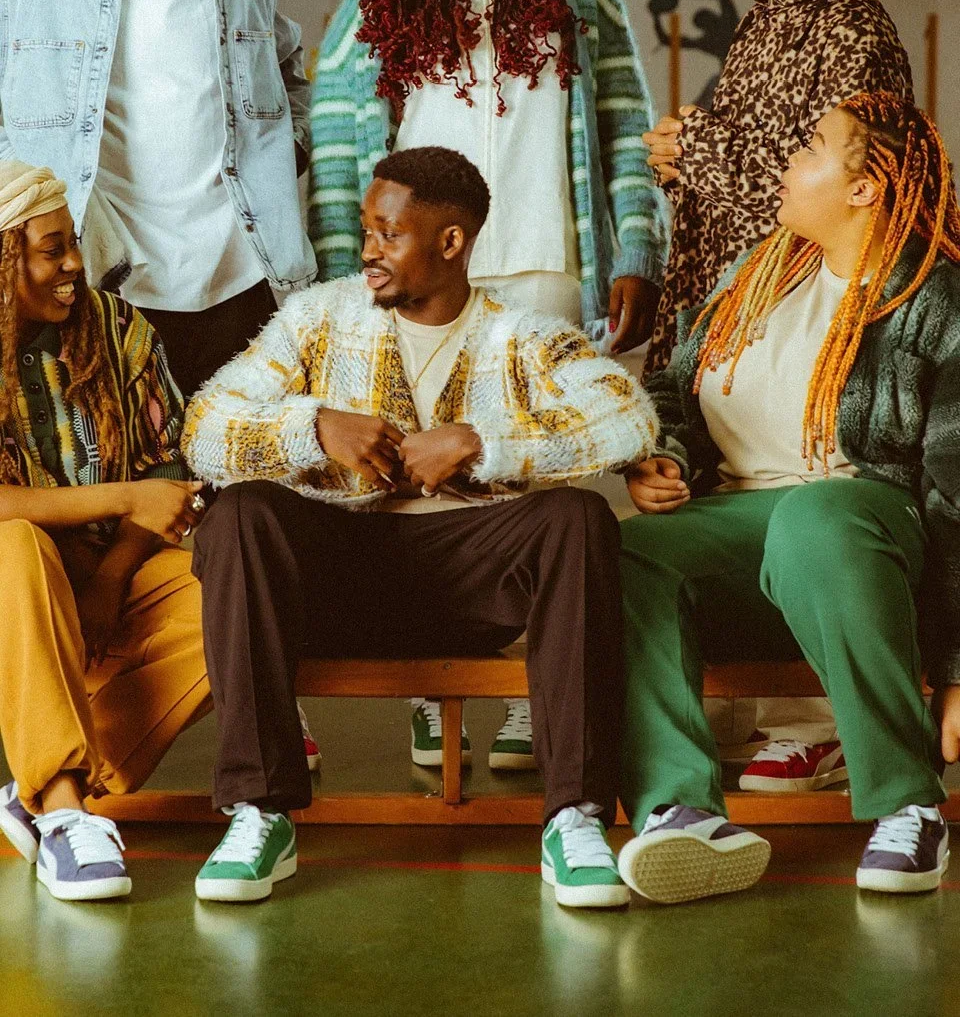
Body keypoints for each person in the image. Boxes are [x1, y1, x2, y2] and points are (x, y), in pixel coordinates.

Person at [184, 146, 658, 908]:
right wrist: (316, 427)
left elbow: (626, 413)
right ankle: (258, 812)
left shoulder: (521, 336)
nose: (368, 250)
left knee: (578, 518)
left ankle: (575, 815)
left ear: (451, 241)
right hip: (338, 573)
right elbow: (205, 425)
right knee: (239, 515)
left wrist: (480, 443)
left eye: (389, 233)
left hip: (469, 577)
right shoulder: (317, 319)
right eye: (366, 230)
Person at [309, 0, 668, 766]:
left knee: (537, 485)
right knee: (426, 485)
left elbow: (631, 127)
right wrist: (362, 278)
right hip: (424, 289)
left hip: (549, 274)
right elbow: (343, 157)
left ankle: (525, 693)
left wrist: (637, 248)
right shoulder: (374, 3)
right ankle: (435, 683)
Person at [616, 93, 960, 903]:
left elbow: (956, 500)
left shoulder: (933, 301)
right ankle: (680, 809)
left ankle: (907, 805)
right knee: (621, 548)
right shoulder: (759, 273)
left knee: (815, 516)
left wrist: (956, 667)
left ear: (865, 187)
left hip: (869, 530)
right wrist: (660, 456)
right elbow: (671, 389)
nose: (786, 165)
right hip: (740, 529)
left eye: (810, 150)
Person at [642, 0, 914, 776]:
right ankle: (722, 724)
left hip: (809, 334)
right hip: (732, 327)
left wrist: (699, 150)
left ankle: (822, 728)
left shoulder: (850, 23)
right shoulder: (771, 22)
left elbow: (837, 189)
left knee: (808, 503)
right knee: (702, 518)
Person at [0, 0, 315, 400]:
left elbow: (287, 69)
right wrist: (16, 182)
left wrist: (288, 150)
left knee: (239, 457)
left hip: (241, 266)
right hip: (107, 270)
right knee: (122, 465)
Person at [0, 160, 209, 901]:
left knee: (236, 598)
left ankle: (47, 787)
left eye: (74, 244)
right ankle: (59, 804)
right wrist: (116, 499)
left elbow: (169, 467)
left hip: (107, 575)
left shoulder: (117, 329)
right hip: (14, 588)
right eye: (51, 250)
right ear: (5, 260)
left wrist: (114, 576)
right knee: (14, 548)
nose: (73, 265)